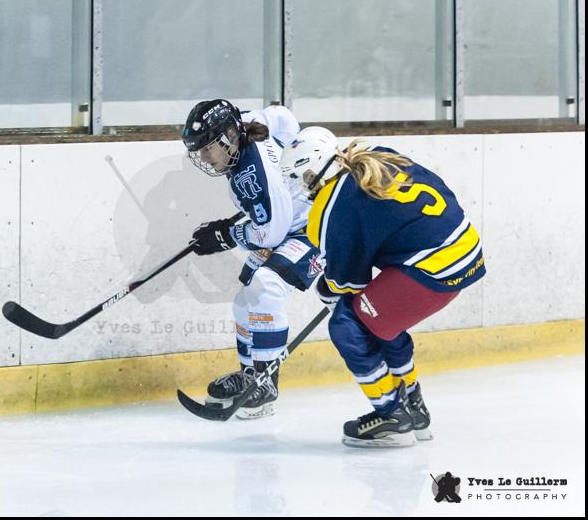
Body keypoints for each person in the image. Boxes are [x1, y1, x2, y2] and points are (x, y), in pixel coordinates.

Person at [283, 128, 486, 447]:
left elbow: (346, 284)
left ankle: (393, 415)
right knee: (378, 319)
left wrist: (328, 290)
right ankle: (413, 408)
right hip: (464, 248)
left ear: (310, 170)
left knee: (346, 324)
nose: (297, 184)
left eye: (296, 176)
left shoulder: (329, 207)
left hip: (434, 268)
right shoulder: (374, 153)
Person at [181, 100, 328, 419]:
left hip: (315, 230)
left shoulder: (254, 175)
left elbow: (270, 235)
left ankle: (264, 382)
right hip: (288, 222)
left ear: (227, 137)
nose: (204, 157)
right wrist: (291, 143)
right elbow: (283, 116)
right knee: (245, 299)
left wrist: (224, 236)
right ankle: (252, 379)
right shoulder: (247, 123)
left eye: (207, 149)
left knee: (266, 286)